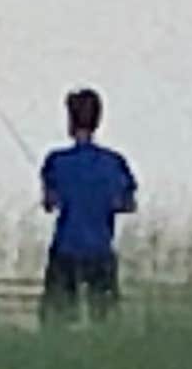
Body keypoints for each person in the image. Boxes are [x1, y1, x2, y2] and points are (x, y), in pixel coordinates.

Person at [38, 85, 138, 319]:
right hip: (100, 249)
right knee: (104, 318)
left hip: (66, 249)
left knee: (57, 319)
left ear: (70, 122)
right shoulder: (114, 163)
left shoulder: (56, 161)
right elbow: (127, 204)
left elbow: (49, 204)